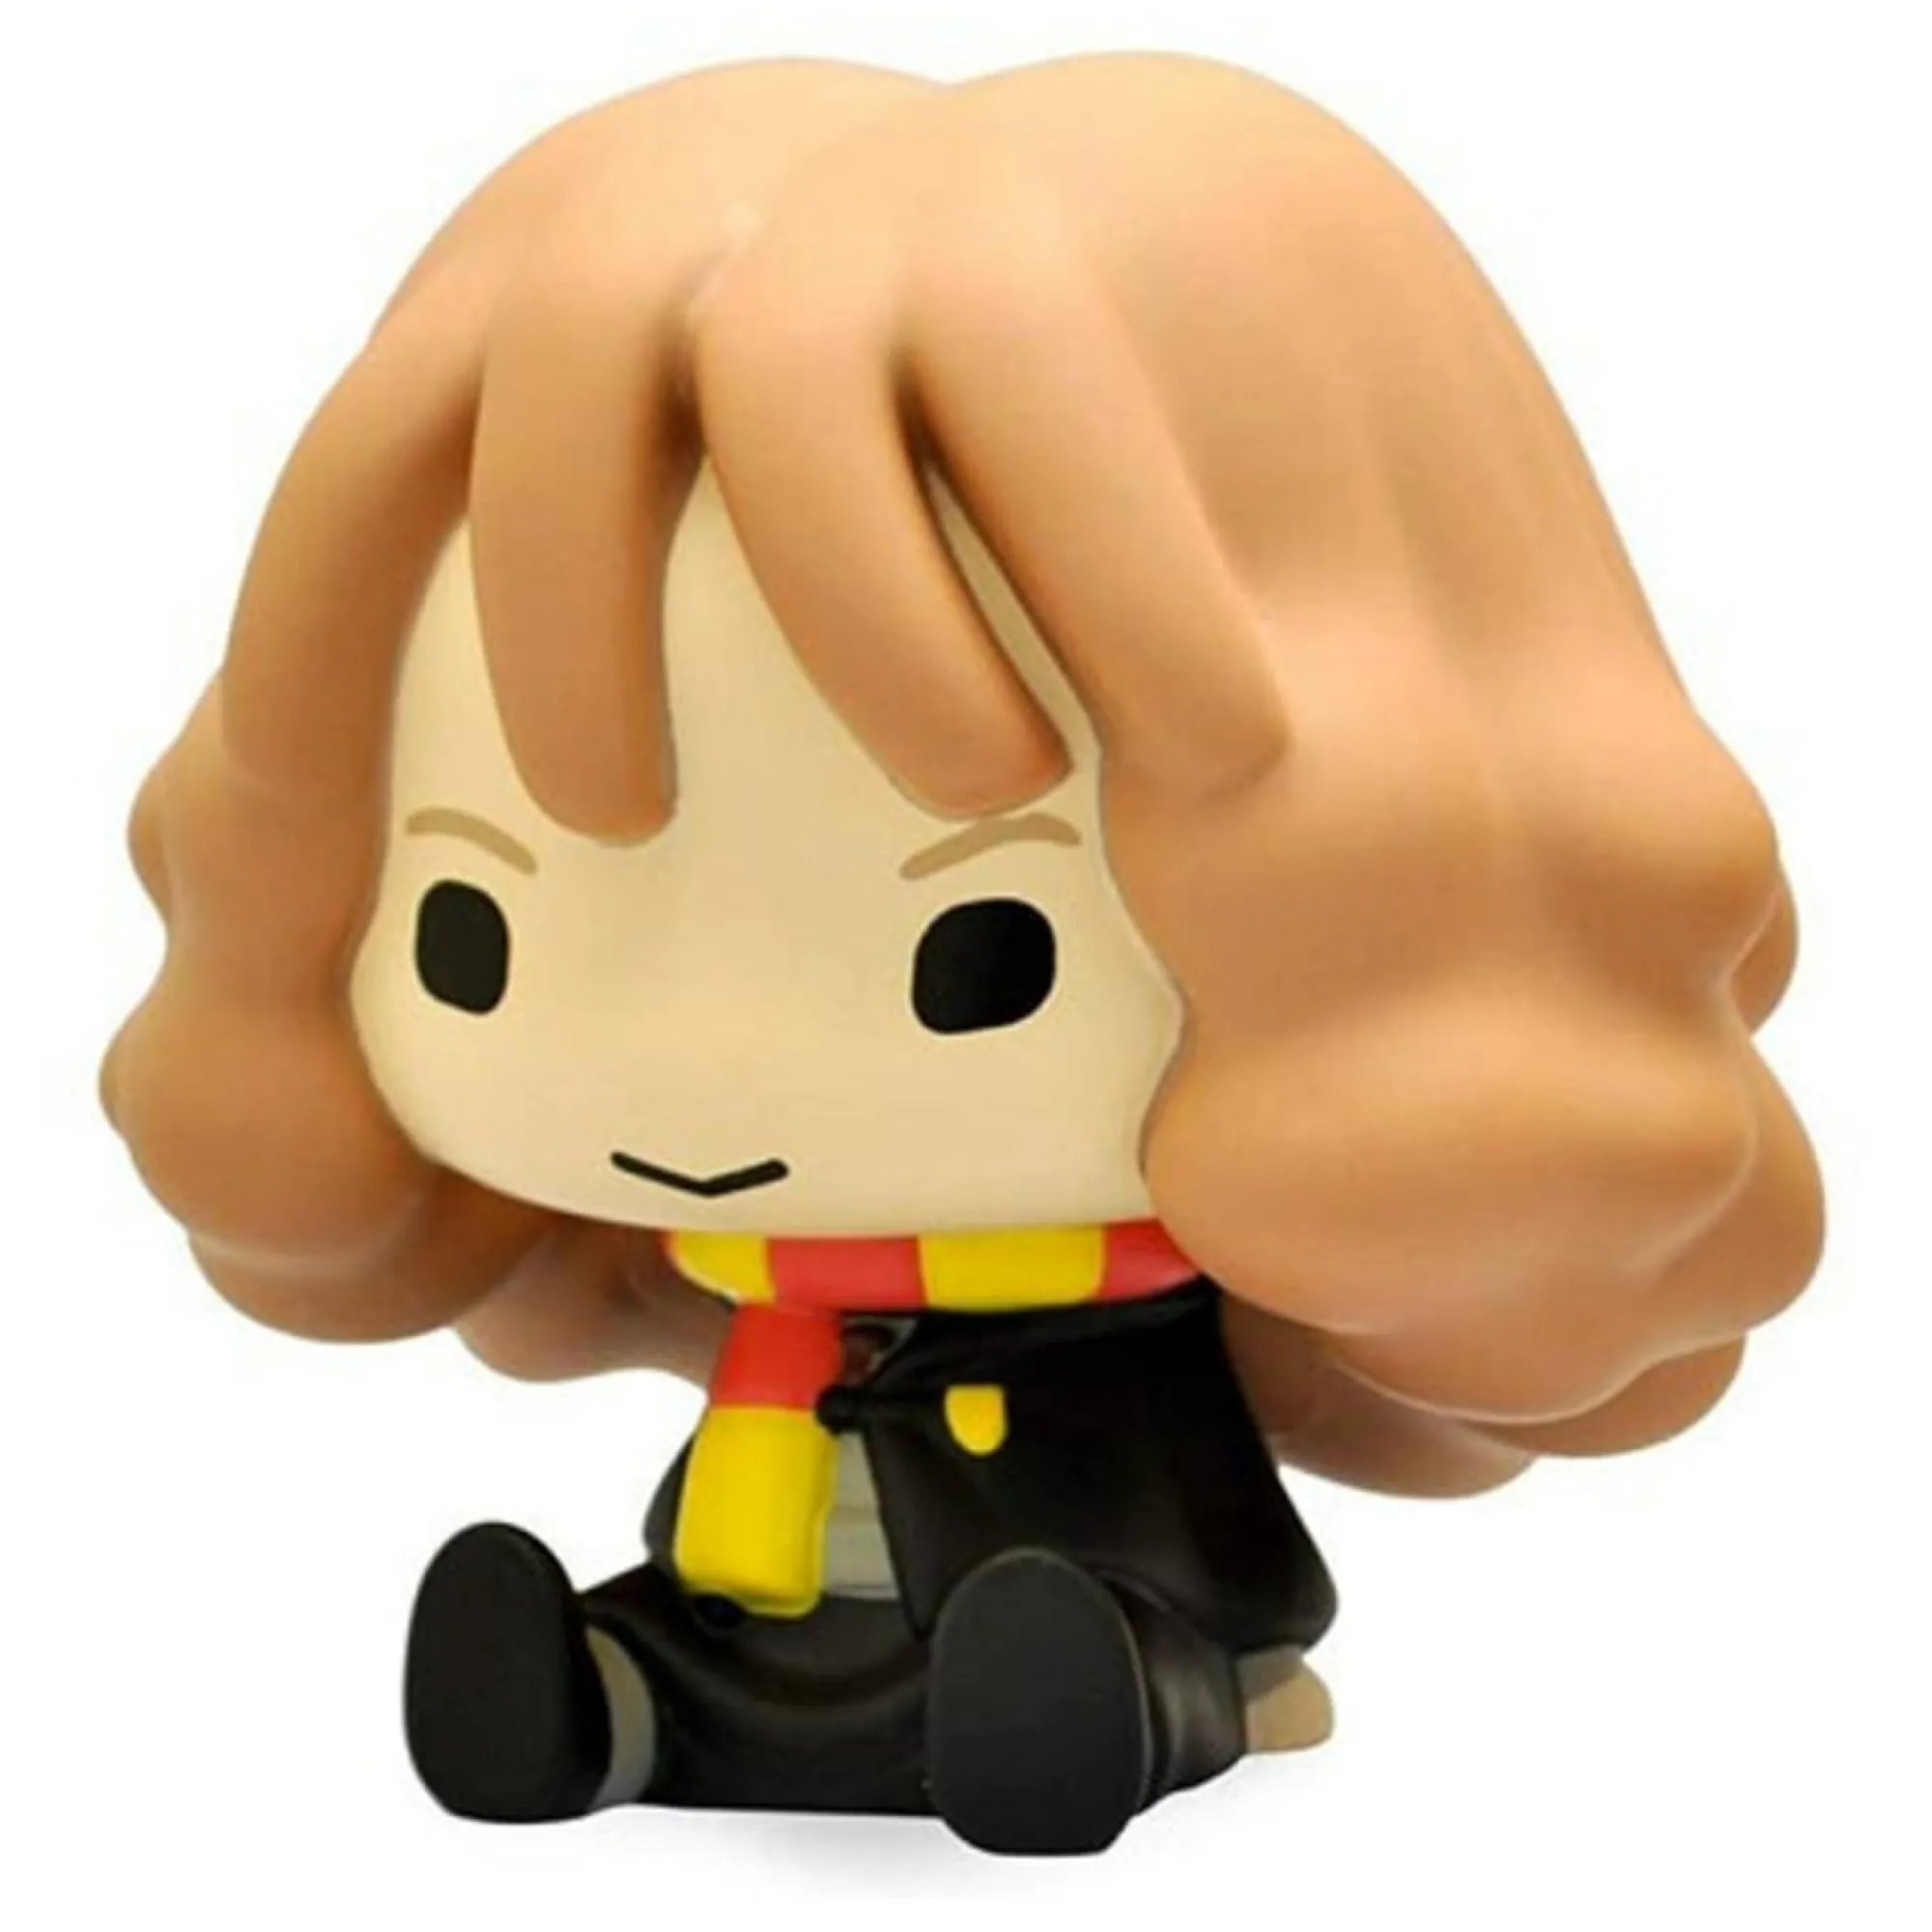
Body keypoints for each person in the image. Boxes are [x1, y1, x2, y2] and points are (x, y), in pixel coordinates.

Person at [103, 54, 1823, 1856]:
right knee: (708, 1622)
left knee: (1117, 1628)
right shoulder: (750, 1290)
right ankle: (614, 1687)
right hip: (765, 1560)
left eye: (979, 951)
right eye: (477, 934)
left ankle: (1101, 1702)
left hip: (1088, 1543)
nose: (709, 1065)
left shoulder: (1110, 1282)